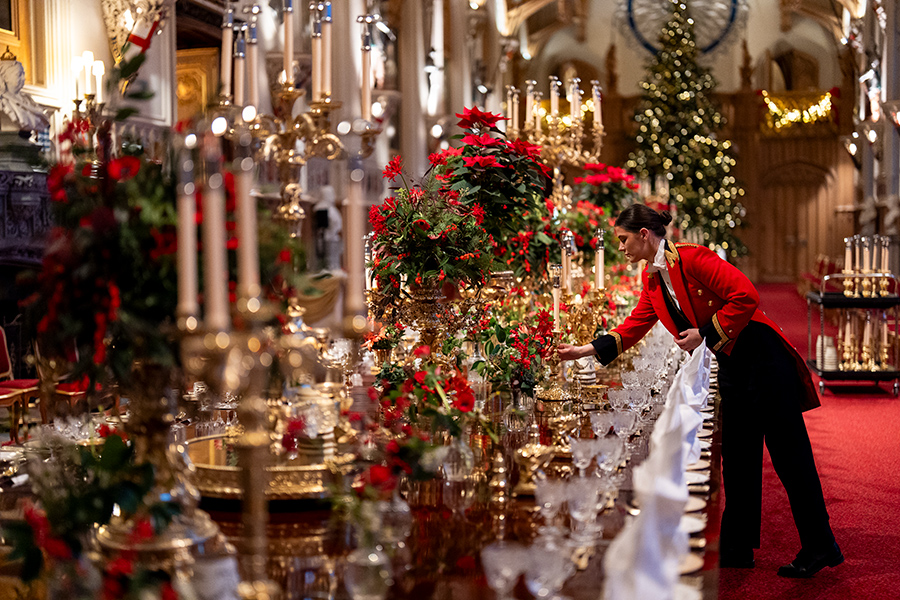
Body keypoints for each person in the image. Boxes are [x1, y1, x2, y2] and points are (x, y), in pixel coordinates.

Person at [558, 204, 843, 578]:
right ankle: (737, 546)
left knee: (791, 457)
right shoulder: (653, 280)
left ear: (645, 235)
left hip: (762, 356)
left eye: (624, 240)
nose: (622, 248)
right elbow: (632, 327)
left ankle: (821, 546)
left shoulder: (693, 258)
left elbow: (746, 296)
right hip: (732, 364)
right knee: (738, 458)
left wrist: (705, 334)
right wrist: (585, 350)